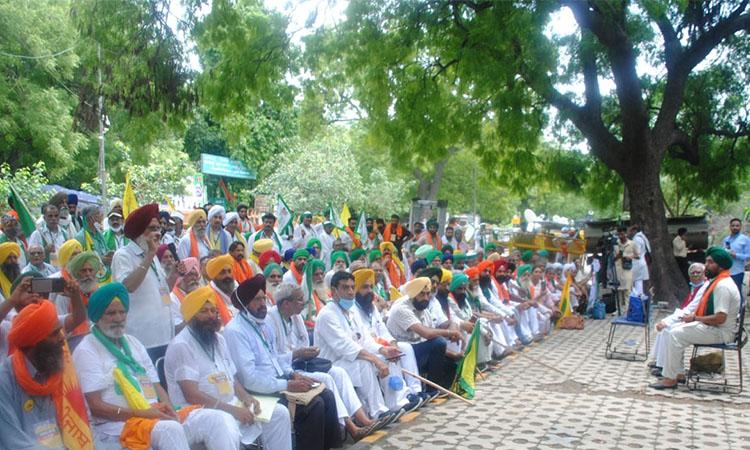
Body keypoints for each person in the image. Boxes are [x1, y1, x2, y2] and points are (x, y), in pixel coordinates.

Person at [73, 283, 239, 448]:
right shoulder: (87, 350)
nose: (118, 318)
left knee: (217, 419)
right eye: (111, 313)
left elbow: (156, 385)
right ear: (98, 316)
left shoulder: (133, 343)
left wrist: (169, 408)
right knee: (170, 429)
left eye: (122, 312)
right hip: (120, 426)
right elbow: (95, 407)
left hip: (156, 415)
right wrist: (145, 414)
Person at [164, 286, 293, 449]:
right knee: (222, 422)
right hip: (195, 413)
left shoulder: (218, 339)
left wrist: (246, 398)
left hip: (230, 403)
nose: (211, 316)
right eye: (204, 311)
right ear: (191, 317)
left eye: (213, 310)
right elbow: (192, 395)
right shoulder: (181, 345)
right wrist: (232, 410)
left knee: (279, 413)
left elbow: (232, 378)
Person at [223, 275, 342, 450]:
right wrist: (287, 384)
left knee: (326, 395)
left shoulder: (262, 324)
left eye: (264, 298)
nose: (263, 303)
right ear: (245, 304)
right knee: (313, 405)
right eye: (257, 300)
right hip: (256, 392)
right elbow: (249, 379)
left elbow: (274, 359)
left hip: (277, 382)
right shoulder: (235, 331)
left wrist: (292, 373)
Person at [267, 283, 383, 440]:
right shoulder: (270, 320)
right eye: (300, 300)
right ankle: (352, 428)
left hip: (304, 364)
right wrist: (296, 354)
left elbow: (302, 343)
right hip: (287, 371)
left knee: (339, 373)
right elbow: (273, 359)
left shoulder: (296, 317)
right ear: (287, 303)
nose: (304, 303)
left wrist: (307, 352)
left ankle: (364, 420)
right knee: (327, 378)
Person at [315, 271, 411, 421]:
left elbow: (364, 339)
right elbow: (345, 347)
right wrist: (375, 360)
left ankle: (396, 403)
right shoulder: (327, 314)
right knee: (365, 363)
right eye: (345, 288)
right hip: (334, 363)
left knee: (389, 357)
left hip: (351, 359)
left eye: (353, 287)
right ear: (334, 291)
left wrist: (383, 350)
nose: (351, 292)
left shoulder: (350, 312)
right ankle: (377, 411)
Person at [0, 300, 94, 449]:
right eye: (55, 333)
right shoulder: (4, 379)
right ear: (35, 341)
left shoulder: (61, 367)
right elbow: (13, 442)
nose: (63, 338)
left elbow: (84, 419)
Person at [650, 247, 741, 390]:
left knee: (675, 334)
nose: (706, 266)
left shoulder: (723, 286)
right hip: (715, 328)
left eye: (710, 262)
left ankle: (670, 379)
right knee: (672, 330)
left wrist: (695, 318)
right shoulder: (717, 281)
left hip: (721, 332)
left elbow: (720, 318)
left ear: (721, 266)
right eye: (706, 261)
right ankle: (677, 374)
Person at [351, 269, 426, 401]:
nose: (369, 291)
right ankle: (397, 401)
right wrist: (385, 348)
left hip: (380, 344)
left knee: (404, 348)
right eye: (364, 287)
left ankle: (415, 391)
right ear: (355, 289)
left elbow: (383, 330)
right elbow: (363, 339)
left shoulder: (371, 307)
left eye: (371, 287)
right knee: (387, 356)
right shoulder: (352, 310)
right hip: (367, 348)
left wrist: (392, 343)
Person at [111, 203, 173, 362]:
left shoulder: (150, 255)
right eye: (152, 229)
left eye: (159, 228)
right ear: (139, 232)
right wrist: (150, 255)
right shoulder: (123, 255)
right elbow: (127, 287)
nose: (158, 233)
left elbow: (163, 290)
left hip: (165, 335)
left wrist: (176, 274)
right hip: (142, 339)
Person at [387, 277, 460, 390]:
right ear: (414, 294)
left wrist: (454, 353)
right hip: (401, 353)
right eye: (422, 294)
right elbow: (427, 334)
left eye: (427, 294)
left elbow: (433, 334)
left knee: (451, 363)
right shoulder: (401, 308)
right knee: (439, 342)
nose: (426, 298)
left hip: (416, 350)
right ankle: (432, 389)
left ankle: (437, 388)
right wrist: (450, 332)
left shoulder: (423, 309)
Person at [648, 263, 708, 374]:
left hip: (700, 322)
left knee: (668, 330)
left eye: (698, 272)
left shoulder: (704, 287)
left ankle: (665, 367)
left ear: (705, 274)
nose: (695, 275)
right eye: (693, 273)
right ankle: (660, 362)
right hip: (691, 318)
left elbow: (690, 309)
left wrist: (667, 321)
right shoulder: (695, 288)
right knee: (664, 328)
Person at [52, 251, 102, 348]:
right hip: (72, 340)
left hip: (96, 338)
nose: (88, 274)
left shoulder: (98, 292)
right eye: (83, 271)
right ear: (76, 273)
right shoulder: (65, 295)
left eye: (90, 270)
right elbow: (62, 322)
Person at [168, 257, 201, 332]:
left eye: (196, 275)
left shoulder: (200, 295)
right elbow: (175, 328)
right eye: (190, 275)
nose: (194, 279)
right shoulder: (171, 298)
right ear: (181, 277)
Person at [205, 254, 239, 325]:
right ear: (214, 276)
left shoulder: (236, 285)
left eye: (229, 271)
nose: (227, 275)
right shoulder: (208, 295)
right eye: (222, 272)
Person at [722, 218, 750, 297]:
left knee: (736, 294)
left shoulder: (745, 240)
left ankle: (741, 309)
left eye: (737, 226)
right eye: (733, 225)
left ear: (740, 227)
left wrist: (736, 255)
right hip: (726, 271)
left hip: (737, 272)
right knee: (727, 294)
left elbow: (748, 256)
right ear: (730, 227)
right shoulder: (726, 240)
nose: (735, 227)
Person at [614, 226, 636, 302]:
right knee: (618, 291)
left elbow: (637, 255)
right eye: (619, 235)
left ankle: (627, 309)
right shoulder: (615, 243)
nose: (621, 236)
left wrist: (629, 257)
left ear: (626, 234)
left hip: (627, 269)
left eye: (622, 234)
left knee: (627, 290)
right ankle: (619, 309)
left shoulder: (632, 243)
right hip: (618, 270)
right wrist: (619, 255)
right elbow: (613, 258)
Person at [628, 225, 650, 298]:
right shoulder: (642, 238)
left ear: (634, 231)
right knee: (638, 281)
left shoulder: (636, 239)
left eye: (630, 231)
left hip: (637, 263)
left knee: (637, 281)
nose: (629, 233)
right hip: (641, 262)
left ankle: (638, 297)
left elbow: (637, 254)